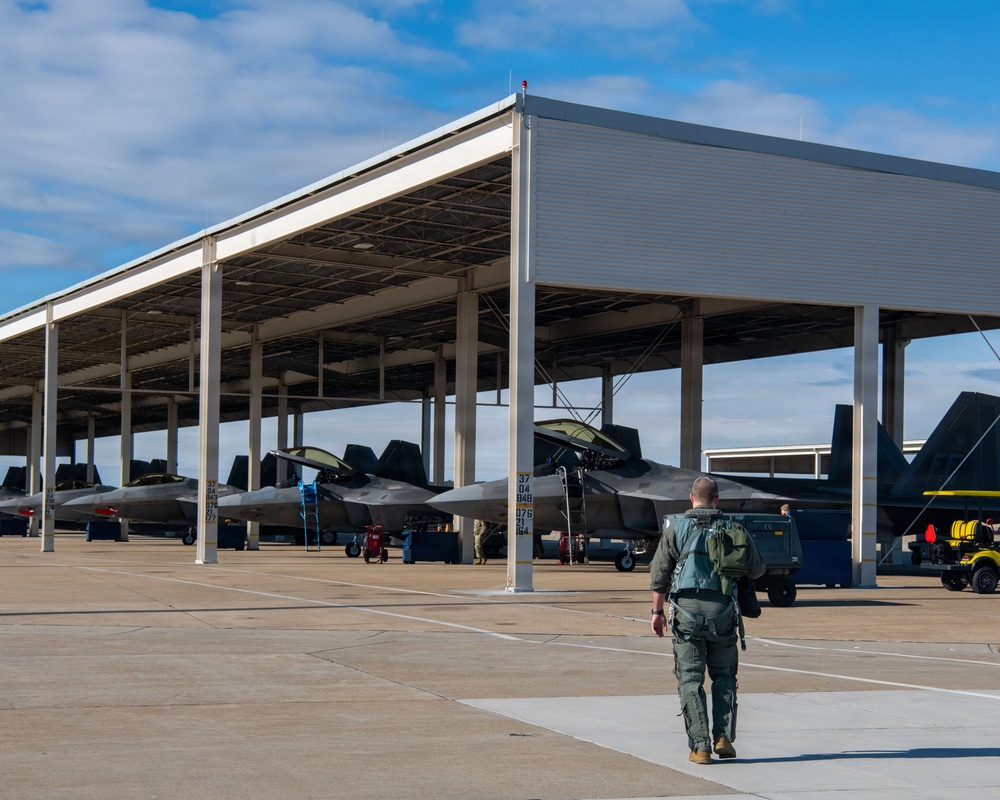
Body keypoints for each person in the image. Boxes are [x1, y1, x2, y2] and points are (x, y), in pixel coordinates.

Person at [649, 477, 765, 765]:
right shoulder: (734, 529)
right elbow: (757, 568)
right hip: (723, 612)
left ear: (692, 498)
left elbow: (659, 574)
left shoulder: (676, 528)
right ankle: (723, 737)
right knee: (724, 676)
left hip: (686, 614)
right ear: (716, 500)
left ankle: (700, 747)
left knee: (690, 679)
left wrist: (657, 612)